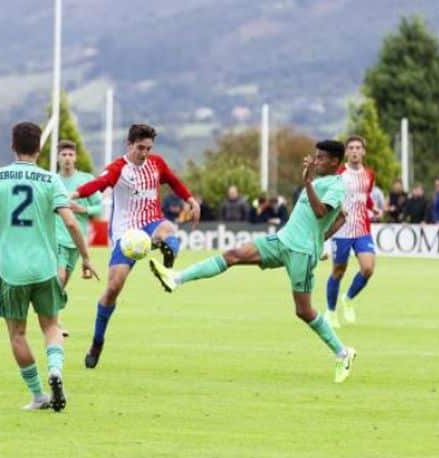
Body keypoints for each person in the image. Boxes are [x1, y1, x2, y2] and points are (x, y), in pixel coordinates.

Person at [149, 140, 357, 383]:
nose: (316, 160)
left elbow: (321, 212)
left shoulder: (336, 185)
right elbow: (324, 223)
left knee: (303, 310)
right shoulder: (319, 181)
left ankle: (343, 353)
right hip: (281, 241)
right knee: (233, 255)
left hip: (301, 254)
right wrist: (323, 228)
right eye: (316, 156)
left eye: (321, 158)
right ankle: (175, 278)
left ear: (335, 161)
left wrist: (308, 184)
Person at [0, 122, 98, 411]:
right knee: (51, 326)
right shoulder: (50, 180)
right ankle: (56, 371)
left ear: (13, 146)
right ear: (39, 149)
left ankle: (38, 395)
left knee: (18, 334)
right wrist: (86, 257)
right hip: (46, 268)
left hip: (12, 272)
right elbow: (71, 221)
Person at [71, 123, 200, 369]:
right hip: (126, 232)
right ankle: (97, 341)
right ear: (129, 145)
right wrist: (73, 196)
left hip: (152, 222)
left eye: (148, 148)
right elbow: (98, 185)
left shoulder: (156, 163)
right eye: (140, 148)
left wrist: (191, 200)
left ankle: (167, 262)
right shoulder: (118, 168)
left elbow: (173, 181)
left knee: (170, 231)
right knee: (112, 289)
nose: (144, 153)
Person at [325, 135, 376, 328]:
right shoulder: (338, 174)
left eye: (358, 148)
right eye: (351, 148)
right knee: (338, 272)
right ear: (346, 152)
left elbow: (365, 196)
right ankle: (330, 312)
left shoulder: (369, 174)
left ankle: (348, 298)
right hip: (341, 229)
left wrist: (373, 206)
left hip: (362, 228)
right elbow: (329, 196)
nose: (355, 151)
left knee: (368, 268)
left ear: (363, 152)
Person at [54, 140, 103, 337]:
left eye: (70, 155)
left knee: (62, 284)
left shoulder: (86, 180)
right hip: (55, 237)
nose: (67, 158)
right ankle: (54, 324)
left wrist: (83, 209)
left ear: (75, 158)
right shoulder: (52, 180)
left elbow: (100, 209)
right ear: (58, 158)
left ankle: (50, 315)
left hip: (76, 240)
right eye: (63, 154)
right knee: (60, 278)